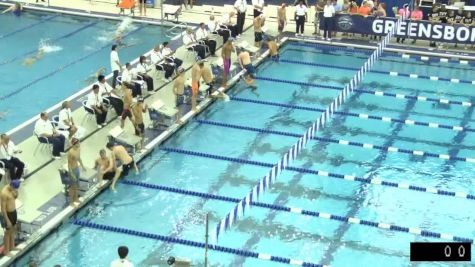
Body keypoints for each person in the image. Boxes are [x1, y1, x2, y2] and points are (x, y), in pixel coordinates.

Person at [1, 180, 20, 256]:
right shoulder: (4, 193)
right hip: (7, 214)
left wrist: (16, 194)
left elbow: (14, 198)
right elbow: (3, 209)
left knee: (13, 229)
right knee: (7, 232)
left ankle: (12, 247)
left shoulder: (12, 189)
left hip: (13, 212)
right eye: (14, 188)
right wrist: (7, 220)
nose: (15, 190)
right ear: (11, 185)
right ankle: (6, 251)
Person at [67, 138, 85, 207]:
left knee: (77, 185)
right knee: (72, 187)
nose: (79, 144)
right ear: (74, 144)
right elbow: (69, 164)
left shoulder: (78, 149)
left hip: (77, 169)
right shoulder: (70, 152)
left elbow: (79, 158)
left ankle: (76, 199)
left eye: (79, 143)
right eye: (78, 143)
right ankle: (71, 202)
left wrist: (82, 166)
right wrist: (71, 173)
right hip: (72, 170)